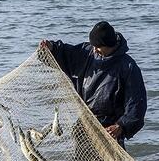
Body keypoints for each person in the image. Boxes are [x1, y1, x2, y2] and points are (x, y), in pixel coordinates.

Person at [39, 21, 147, 149]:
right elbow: (65, 53)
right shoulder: (88, 53)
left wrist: (121, 126)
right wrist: (51, 47)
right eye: (93, 45)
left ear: (110, 45)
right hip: (85, 122)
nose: (95, 49)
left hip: (109, 129)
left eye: (98, 46)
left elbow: (136, 103)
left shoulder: (128, 67)